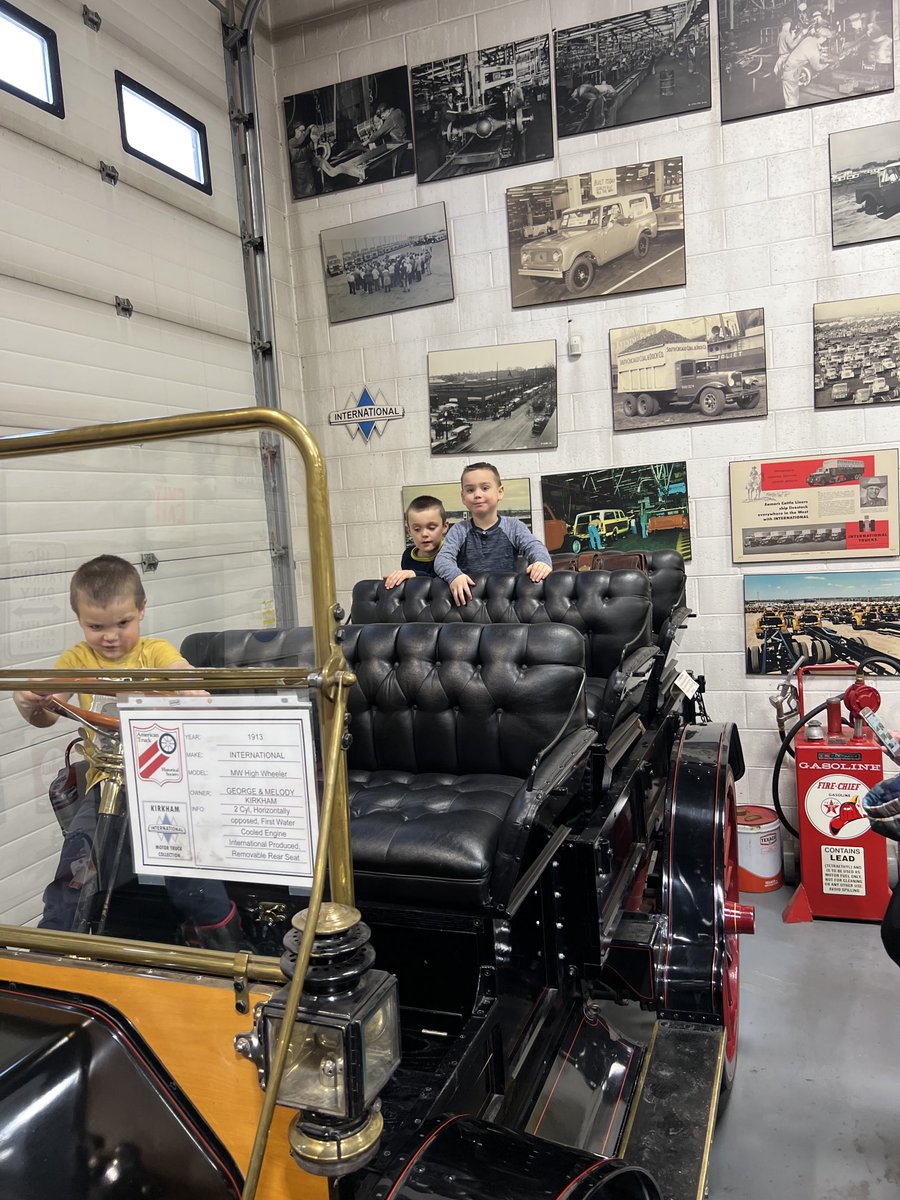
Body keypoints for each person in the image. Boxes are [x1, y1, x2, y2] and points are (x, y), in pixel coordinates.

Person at [13, 555, 245, 947]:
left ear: (142, 610)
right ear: (79, 620)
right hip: (104, 783)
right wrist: (28, 703)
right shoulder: (75, 661)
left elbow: (181, 671)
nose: (110, 636)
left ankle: (228, 948)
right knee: (74, 871)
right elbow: (48, 715)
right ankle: (50, 955)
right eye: (95, 626)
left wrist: (190, 688)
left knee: (192, 877)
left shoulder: (154, 652)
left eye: (123, 623)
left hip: (163, 783)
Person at [434, 462, 552, 606]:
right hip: (470, 602)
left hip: (506, 601)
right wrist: (455, 576)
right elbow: (442, 559)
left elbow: (534, 546)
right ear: (463, 496)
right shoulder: (458, 530)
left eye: (485, 488)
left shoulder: (514, 526)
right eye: (470, 490)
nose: (477, 495)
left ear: (500, 492)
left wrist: (542, 562)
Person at [384, 496, 450, 589]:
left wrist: (415, 574)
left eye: (431, 528)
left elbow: (446, 582)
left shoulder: (450, 552)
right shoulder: (408, 556)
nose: (424, 534)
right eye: (417, 529)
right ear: (409, 531)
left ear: (444, 527)